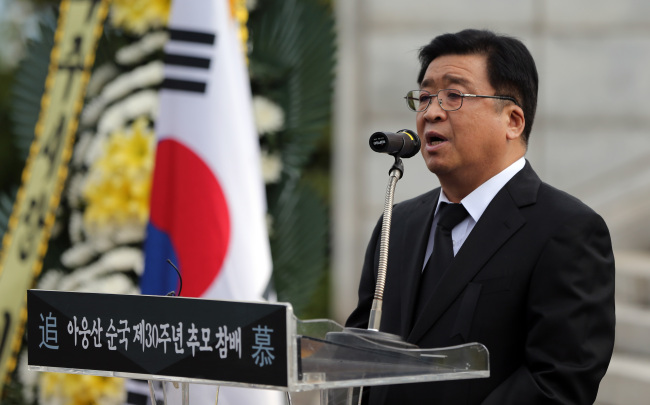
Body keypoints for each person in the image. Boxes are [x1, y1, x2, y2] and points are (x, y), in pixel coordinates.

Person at [346, 29, 615, 405]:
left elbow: (559, 381)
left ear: (513, 121)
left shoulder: (566, 229)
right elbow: (358, 349)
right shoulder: (399, 222)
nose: (432, 112)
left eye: (454, 95)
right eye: (424, 97)